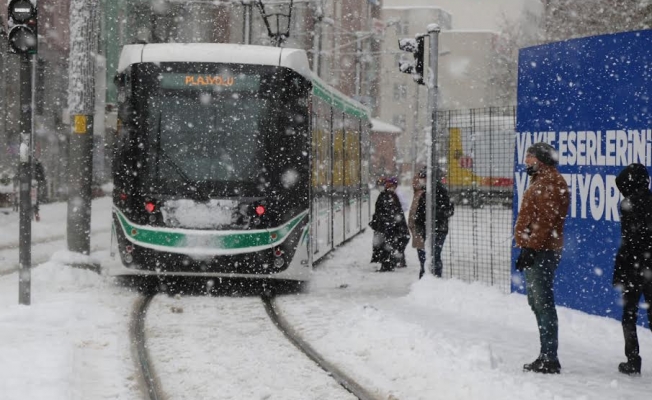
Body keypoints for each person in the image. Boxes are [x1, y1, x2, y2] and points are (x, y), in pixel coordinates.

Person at [514, 142, 570, 374]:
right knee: (536, 302)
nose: (526, 160)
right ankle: (546, 354)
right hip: (538, 249)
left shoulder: (550, 183)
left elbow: (546, 221)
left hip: (542, 252)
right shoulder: (541, 180)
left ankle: (549, 357)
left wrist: (531, 248)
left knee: (543, 302)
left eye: (530, 156)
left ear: (541, 160)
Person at [613, 163, 652, 375]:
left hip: (634, 269)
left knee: (629, 315)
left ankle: (633, 359)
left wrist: (620, 271)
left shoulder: (628, 204)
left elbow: (628, 242)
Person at [410, 168, 453, 279]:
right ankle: (428, 277)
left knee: (432, 255)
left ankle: (432, 277)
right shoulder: (425, 191)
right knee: (427, 255)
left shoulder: (437, 191)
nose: (421, 180)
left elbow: (448, 210)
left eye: (423, 178)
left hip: (436, 229)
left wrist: (429, 216)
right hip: (427, 228)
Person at [369, 177, 410, 272]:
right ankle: (391, 262)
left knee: (388, 244)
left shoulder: (389, 195)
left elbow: (386, 212)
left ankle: (388, 264)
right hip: (389, 226)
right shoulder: (389, 195)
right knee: (390, 243)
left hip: (388, 226)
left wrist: (386, 223)